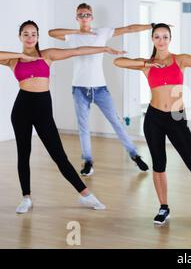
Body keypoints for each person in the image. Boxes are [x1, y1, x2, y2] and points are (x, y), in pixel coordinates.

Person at [0, 20, 123, 213]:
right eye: (26, 34)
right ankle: (26, 198)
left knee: (59, 156)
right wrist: (21, 55)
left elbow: (77, 51)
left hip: (42, 110)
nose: (30, 37)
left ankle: (85, 195)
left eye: (33, 34)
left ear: (38, 37)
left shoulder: (47, 55)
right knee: (23, 155)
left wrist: (104, 48)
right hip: (21, 109)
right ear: (20, 37)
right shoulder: (13, 60)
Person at [114, 23, 191, 225]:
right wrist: (146, 63)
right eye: (157, 37)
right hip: (154, 118)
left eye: (165, 37)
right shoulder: (147, 64)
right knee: (159, 164)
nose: (161, 41)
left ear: (170, 39)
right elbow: (118, 62)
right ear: (152, 39)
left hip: (176, 118)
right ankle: (163, 207)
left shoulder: (179, 59)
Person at [48, 3, 151, 176]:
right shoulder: (72, 37)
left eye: (87, 14)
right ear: (77, 18)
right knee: (83, 127)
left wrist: (152, 26)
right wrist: (75, 32)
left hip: (100, 88)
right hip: (79, 89)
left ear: (92, 17)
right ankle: (87, 161)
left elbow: (129, 28)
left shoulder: (102, 32)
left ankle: (134, 155)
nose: (84, 17)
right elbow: (51, 33)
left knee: (116, 122)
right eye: (81, 15)